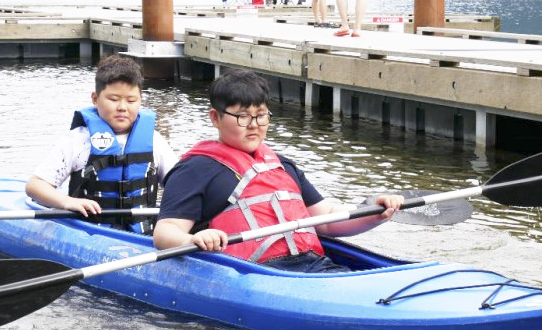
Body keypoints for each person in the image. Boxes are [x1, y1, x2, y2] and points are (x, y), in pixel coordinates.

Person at [153, 69, 403, 272]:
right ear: (215, 118)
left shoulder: (282, 165)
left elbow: (326, 220)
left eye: (261, 115)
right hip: (251, 274)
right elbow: (165, 233)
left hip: (314, 266)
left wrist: (375, 213)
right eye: (242, 117)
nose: (254, 126)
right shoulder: (194, 170)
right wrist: (192, 240)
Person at [26, 55, 178, 234]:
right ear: (95, 98)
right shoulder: (77, 140)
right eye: (113, 99)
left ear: (140, 100)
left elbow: (180, 185)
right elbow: (35, 186)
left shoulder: (154, 140)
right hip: (88, 230)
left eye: (131, 101)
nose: (122, 107)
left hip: (144, 234)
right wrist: (67, 202)